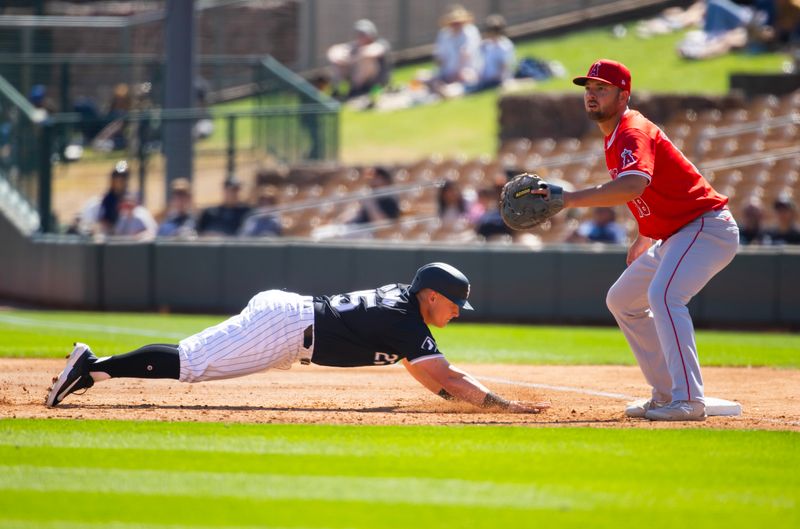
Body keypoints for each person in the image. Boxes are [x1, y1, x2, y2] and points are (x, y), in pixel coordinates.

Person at [45, 262, 549, 414]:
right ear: (434, 296)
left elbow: (426, 374)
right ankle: (92, 366)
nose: (459, 312)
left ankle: (95, 368)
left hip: (290, 321)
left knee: (192, 360)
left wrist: (456, 395)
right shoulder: (404, 320)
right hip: (286, 329)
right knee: (191, 363)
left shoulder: (404, 303)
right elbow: (445, 377)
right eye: (456, 303)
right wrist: (502, 405)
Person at [556, 59, 740, 421]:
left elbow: (633, 185)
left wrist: (568, 198)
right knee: (623, 299)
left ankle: (688, 400)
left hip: (706, 227)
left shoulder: (631, 130)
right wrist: (644, 234)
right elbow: (655, 190)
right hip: (677, 234)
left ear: (624, 95)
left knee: (665, 295)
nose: (591, 96)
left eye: (602, 89)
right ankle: (667, 394)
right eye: (589, 89)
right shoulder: (615, 134)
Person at [327, 19, 391, 100]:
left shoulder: (381, 43)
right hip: (354, 79)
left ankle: (357, 90)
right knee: (338, 63)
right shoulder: (354, 46)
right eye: (359, 34)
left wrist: (352, 59)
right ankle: (336, 90)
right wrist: (342, 59)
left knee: (365, 59)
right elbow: (334, 51)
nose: (360, 37)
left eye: (363, 34)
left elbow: (371, 51)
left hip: (376, 83)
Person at [432, 5, 482, 89]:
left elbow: (466, 54)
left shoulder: (470, 32)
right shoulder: (444, 34)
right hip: (447, 72)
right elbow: (440, 57)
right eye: (453, 23)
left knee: (466, 78)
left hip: (468, 71)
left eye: (458, 23)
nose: (455, 25)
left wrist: (457, 73)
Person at [467, 14, 516, 93]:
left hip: (497, 80)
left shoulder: (504, 46)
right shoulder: (486, 45)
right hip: (485, 79)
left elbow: (504, 67)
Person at [97, 160, 131, 235]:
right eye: (117, 177)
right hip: (110, 235)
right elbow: (102, 219)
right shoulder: (108, 198)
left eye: (123, 177)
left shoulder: (130, 198)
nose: (119, 180)